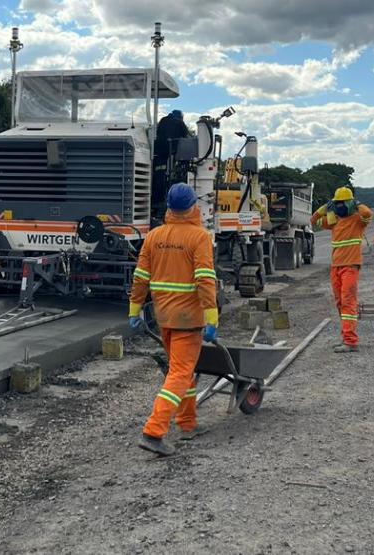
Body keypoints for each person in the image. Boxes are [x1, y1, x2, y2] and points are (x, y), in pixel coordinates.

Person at [128, 183, 218, 456]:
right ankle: (153, 431)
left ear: (168, 207)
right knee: (179, 373)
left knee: (181, 371)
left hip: (164, 316)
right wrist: (211, 315)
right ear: (193, 207)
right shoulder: (198, 237)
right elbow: (204, 278)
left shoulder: (154, 236)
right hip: (188, 317)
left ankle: (188, 423)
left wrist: (134, 308)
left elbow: (141, 276)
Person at [310, 187, 372, 353]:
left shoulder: (358, 220)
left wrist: (356, 204)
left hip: (350, 266)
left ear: (350, 203)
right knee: (340, 303)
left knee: (348, 302)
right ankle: (346, 336)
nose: (340, 206)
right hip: (336, 267)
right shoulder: (334, 220)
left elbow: (367, 213)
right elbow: (313, 220)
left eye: (343, 203)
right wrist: (324, 208)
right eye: (337, 203)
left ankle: (350, 341)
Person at [152, 110, 190, 219]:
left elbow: (158, 133)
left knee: (159, 176)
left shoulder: (163, 120)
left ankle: (157, 200)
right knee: (168, 177)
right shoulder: (179, 123)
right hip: (170, 153)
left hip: (158, 154)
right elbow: (186, 137)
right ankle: (164, 200)